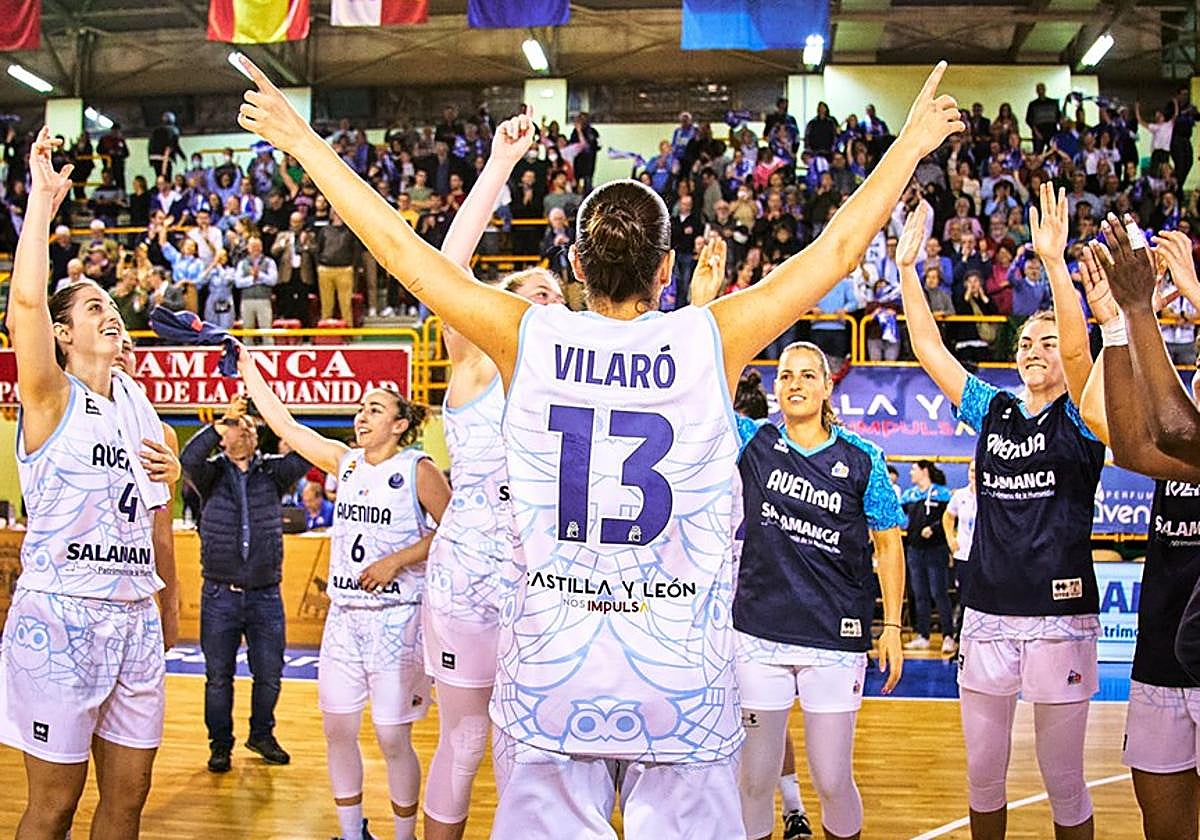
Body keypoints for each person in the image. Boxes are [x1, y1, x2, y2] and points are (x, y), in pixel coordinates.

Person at [234, 55, 962, 837]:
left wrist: (305, 142)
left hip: (556, 667)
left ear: (576, 268)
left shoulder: (525, 333)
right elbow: (840, 248)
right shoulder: (711, 336)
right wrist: (910, 145)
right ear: (668, 269)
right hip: (678, 674)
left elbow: (402, 253)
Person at [899, 187, 1106, 840]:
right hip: (986, 615)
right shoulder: (994, 407)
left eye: (1047, 341)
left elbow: (1079, 357)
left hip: (1059, 619)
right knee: (983, 779)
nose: (1034, 350)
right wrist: (907, 271)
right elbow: (933, 352)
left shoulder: (1084, 409)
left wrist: (1052, 264)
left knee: (1064, 782)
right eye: (1026, 341)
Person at [0, 128, 178, 839]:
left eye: (114, 304)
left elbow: (156, 512)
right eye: (93, 307)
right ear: (66, 335)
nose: (111, 313)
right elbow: (25, 309)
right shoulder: (49, 394)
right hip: (62, 613)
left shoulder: (140, 405)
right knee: (55, 803)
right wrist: (42, 202)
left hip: (134, 615)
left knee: (128, 798)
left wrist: (168, 604)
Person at [419, 111, 565, 840]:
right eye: (529, 289)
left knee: (526, 746)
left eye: (554, 292)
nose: (544, 298)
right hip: (469, 572)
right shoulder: (478, 359)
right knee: (467, 739)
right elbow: (449, 267)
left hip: (544, 573)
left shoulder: (573, 376)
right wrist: (501, 166)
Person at [237, 344, 450, 840]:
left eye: (374, 409)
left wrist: (396, 560)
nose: (362, 416)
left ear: (400, 424)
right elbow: (287, 427)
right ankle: (351, 833)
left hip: (397, 614)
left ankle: (404, 836)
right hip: (345, 617)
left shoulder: (418, 469)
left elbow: (455, 530)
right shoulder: (345, 462)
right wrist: (250, 370)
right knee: (337, 730)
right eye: (359, 409)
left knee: (393, 735)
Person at [734, 342, 906, 840]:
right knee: (755, 780)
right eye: (786, 375)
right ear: (775, 387)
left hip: (834, 639)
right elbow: (711, 390)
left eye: (809, 375)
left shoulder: (861, 458)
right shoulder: (754, 443)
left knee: (832, 780)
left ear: (828, 386)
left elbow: (889, 544)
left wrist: (891, 626)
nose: (796, 384)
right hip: (759, 636)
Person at [1073, 228, 1200, 840]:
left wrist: (1146, 306)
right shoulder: (1187, 453)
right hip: (1160, 660)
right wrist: (1120, 326)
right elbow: (1134, 444)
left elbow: (1174, 429)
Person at [180, 393, 311, 774]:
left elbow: (305, 455)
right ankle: (220, 745)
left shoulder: (273, 472)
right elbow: (189, 459)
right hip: (220, 592)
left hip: (265, 593)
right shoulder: (211, 473)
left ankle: (261, 735)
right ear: (225, 436)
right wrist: (221, 422)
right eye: (243, 426)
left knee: (269, 673)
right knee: (218, 677)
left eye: (254, 427)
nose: (250, 430)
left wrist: (283, 423)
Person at [899, 461, 954, 654]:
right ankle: (923, 635)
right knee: (919, 594)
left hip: (936, 549)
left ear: (924, 471)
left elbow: (950, 517)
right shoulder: (910, 495)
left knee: (939, 592)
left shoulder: (943, 493)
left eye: (914, 469)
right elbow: (899, 514)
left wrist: (934, 528)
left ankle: (948, 635)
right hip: (915, 550)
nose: (911, 473)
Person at [943, 461, 978, 645]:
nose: (973, 473)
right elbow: (948, 516)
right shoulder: (960, 495)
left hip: (983, 556)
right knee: (963, 597)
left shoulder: (989, 494)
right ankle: (959, 639)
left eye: (977, 470)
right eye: (971, 470)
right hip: (963, 555)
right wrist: (951, 539)